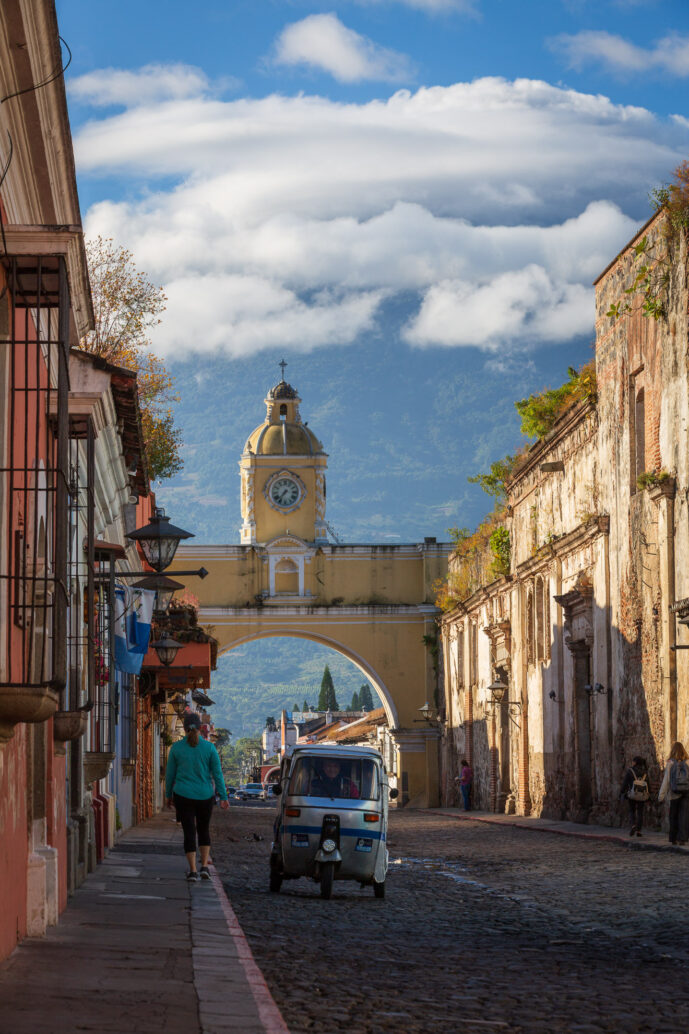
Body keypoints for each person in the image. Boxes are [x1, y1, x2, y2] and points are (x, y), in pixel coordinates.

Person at [165, 712, 229, 881]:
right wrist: (223, 796)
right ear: (201, 728)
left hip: (182, 795)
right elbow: (217, 774)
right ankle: (205, 867)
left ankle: (193, 870)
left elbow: (170, 774)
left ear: (185, 729)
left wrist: (168, 795)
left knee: (189, 831)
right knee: (203, 830)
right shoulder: (209, 748)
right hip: (205, 795)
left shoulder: (176, 748)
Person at [658, 741, 689, 845]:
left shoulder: (670, 763)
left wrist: (661, 795)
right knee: (684, 815)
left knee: (673, 816)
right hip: (686, 793)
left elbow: (666, 780)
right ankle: (683, 838)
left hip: (673, 793)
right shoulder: (687, 762)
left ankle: (674, 838)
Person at [620, 755, 649, 837]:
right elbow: (648, 784)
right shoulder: (645, 772)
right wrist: (649, 794)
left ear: (635, 762)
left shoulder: (630, 771)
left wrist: (622, 792)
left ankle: (633, 825)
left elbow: (625, 783)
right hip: (642, 795)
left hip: (632, 794)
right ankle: (639, 830)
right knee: (640, 812)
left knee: (632, 810)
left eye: (633, 761)